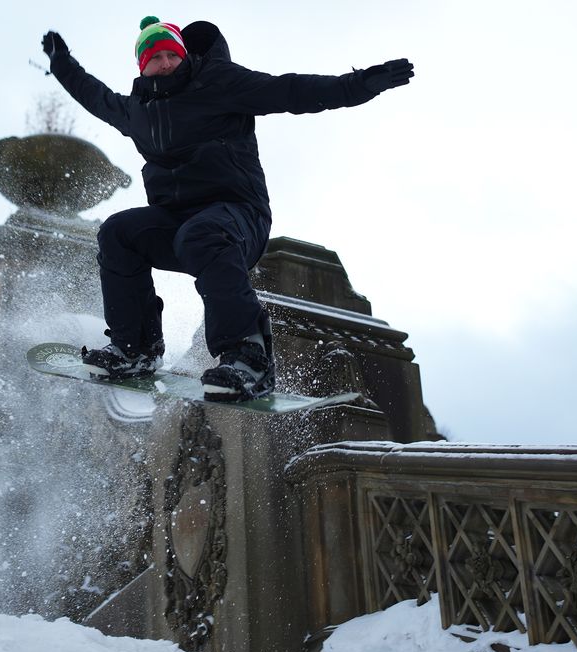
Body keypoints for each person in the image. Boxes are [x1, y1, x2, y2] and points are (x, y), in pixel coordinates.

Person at [40, 17, 414, 402]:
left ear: (184, 55)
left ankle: (248, 357)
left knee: (201, 233)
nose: (166, 63)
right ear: (142, 66)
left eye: (172, 54)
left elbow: (289, 90)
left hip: (239, 216)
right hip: (178, 225)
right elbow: (95, 96)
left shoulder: (219, 82)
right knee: (117, 233)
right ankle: (135, 349)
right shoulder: (139, 111)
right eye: (156, 58)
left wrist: (360, 84)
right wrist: (62, 63)